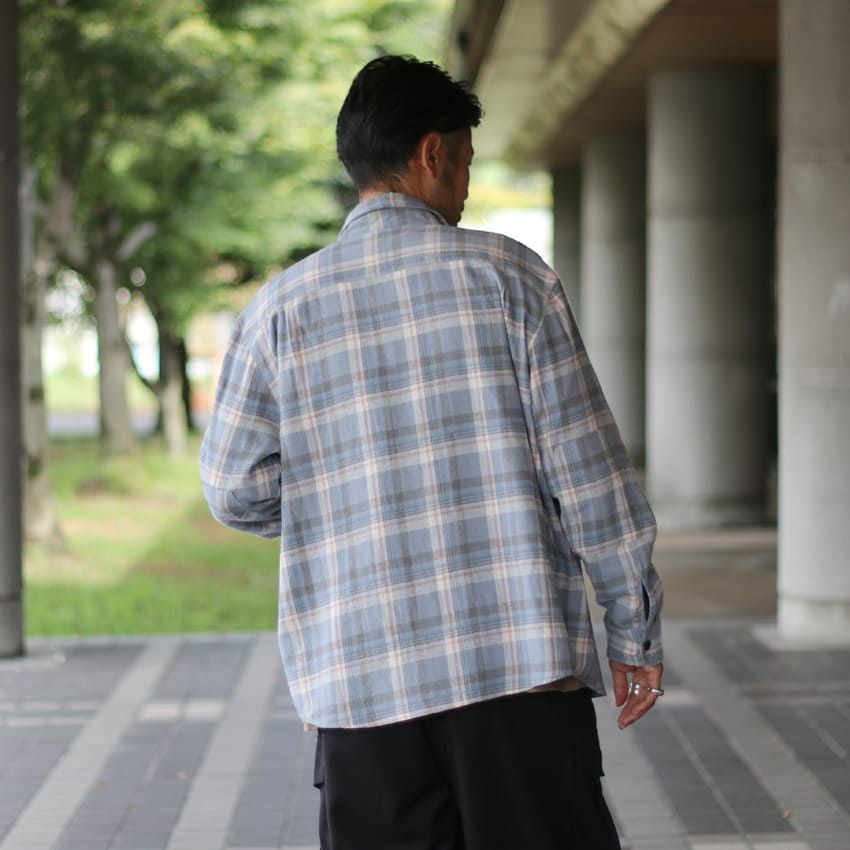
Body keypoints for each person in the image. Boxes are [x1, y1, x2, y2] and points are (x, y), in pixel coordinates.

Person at [200, 54, 664, 850]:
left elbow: (232, 489)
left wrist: (341, 496)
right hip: (520, 677)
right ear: (432, 154)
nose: (467, 186)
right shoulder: (514, 280)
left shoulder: (277, 312)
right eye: (467, 163)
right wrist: (634, 634)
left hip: (362, 690)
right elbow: (590, 480)